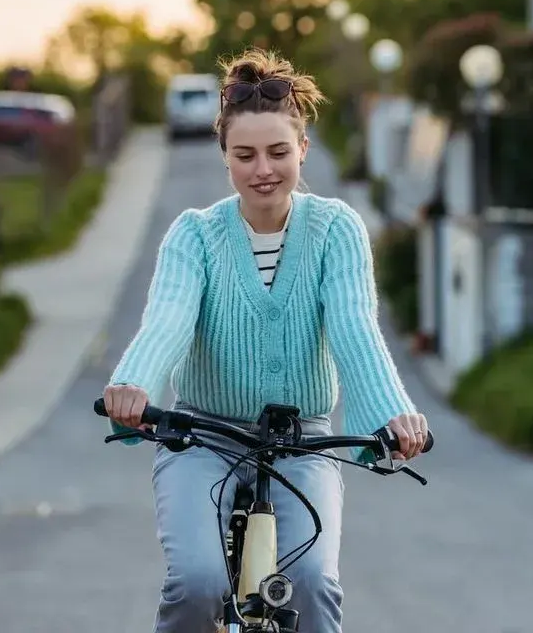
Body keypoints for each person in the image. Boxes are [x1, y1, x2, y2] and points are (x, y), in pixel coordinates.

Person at [102, 48, 429, 633]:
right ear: (224, 157)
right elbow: (169, 319)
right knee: (197, 584)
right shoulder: (195, 235)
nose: (263, 169)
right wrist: (135, 384)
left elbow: (355, 326)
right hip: (201, 437)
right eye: (244, 154)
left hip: (303, 440)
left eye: (279, 152)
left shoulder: (336, 229)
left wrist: (393, 415)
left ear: (303, 149)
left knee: (312, 584)